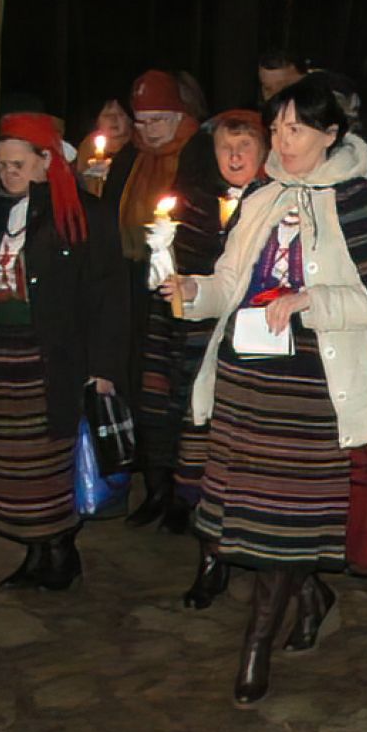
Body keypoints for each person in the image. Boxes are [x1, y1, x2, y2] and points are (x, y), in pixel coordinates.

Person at [165, 74, 367, 705]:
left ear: (332, 134)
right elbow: (227, 284)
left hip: (311, 386)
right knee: (253, 522)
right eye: (277, 128)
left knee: (280, 529)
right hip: (248, 380)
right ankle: (312, 595)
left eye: (296, 129)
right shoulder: (259, 197)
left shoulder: (361, 203)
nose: (282, 140)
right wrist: (192, 292)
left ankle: (254, 650)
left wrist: (312, 299)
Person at [0, 112, 128, 590]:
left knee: (48, 462)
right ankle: (39, 553)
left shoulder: (82, 215)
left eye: (17, 164)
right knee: (8, 465)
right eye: (1, 164)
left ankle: (59, 551)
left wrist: (103, 368)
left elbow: (107, 295)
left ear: (46, 162)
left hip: (51, 362)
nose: (7, 173)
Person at [126, 110, 268, 539]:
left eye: (245, 146)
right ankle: (166, 493)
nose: (235, 155)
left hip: (242, 332)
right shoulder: (194, 200)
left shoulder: (274, 202)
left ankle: (209, 511)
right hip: (183, 324)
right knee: (171, 406)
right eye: (226, 147)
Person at [100, 70, 200, 522]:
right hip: (137, 288)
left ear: (180, 116)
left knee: (178, 389)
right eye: (141, 121)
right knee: (143, 386)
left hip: (185, 289)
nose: (149, 130)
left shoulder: (198, 156)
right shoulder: (130, 160)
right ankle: (155, 485)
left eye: (159, 119)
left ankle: (184, 492)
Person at [74, 98, 133, 196]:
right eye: (107, 115)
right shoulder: (87, 148)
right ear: (97, 121)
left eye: (120, 115)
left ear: (130, 120)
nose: (113, 119)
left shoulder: (138, 149)